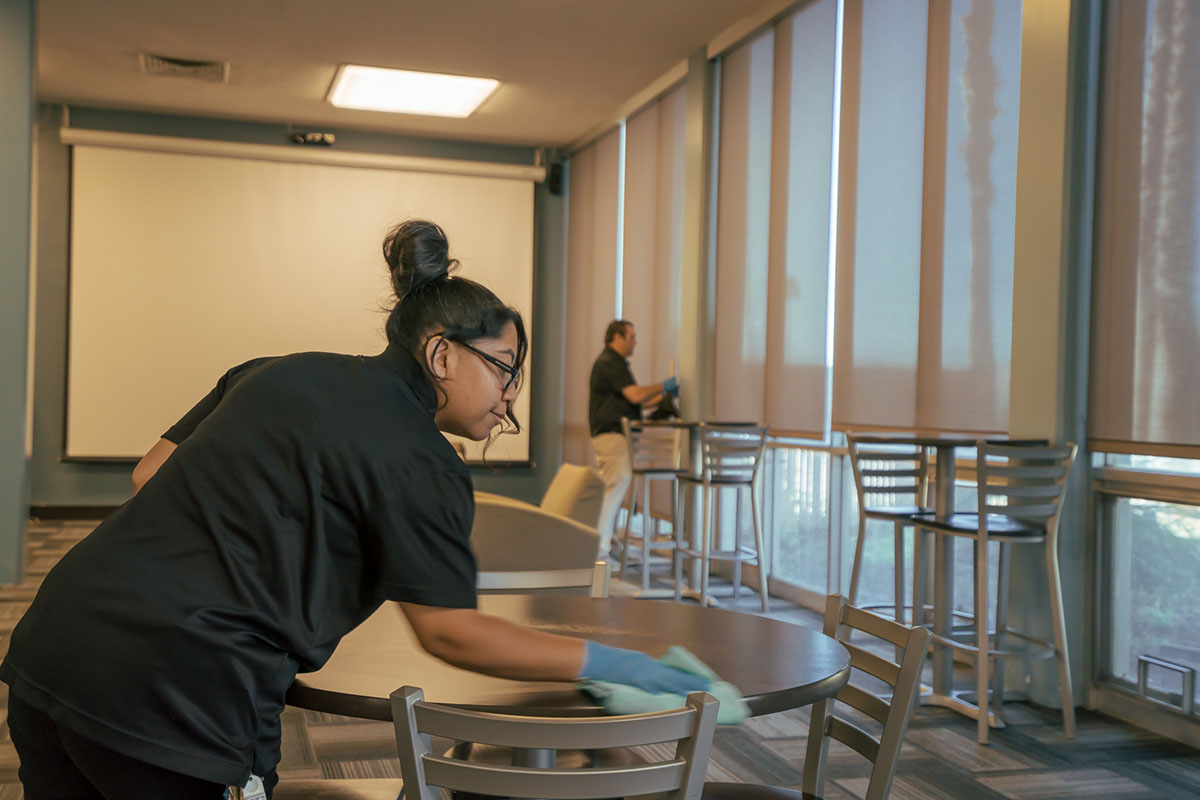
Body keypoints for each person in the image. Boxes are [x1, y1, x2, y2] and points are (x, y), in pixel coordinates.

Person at [1, 221, 707, 800]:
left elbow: (150, 472)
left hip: (56, 643)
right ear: (441, 353)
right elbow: (454, 636)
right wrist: (613, 663)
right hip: (182, 698)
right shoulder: (424, 464)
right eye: (504, 367)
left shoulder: (274, 370)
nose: (509, 398)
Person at [588, 320, 679, 556]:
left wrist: (663, 398)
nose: (635, 341)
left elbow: (635, 400)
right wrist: (664, 386)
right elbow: (636, 395)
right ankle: (599, 550)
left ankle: (607, 542)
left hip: (616, 435)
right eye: (632, 336)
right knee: (615, 486)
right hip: (612, 435)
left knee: (616, 486)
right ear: (618, 337)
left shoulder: (616, 364)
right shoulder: (610, 362)